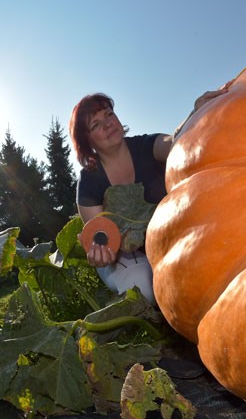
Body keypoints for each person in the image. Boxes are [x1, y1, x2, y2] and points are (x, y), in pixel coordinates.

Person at [69, 86, 230, 304]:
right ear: (87, 141)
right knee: (142, 285)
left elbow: (174, 141)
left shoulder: (146, 146)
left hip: (167, 239)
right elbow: (101, 237)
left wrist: (195, 113)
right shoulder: (89, 181)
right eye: (96, 124)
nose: (108, 124)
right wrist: (101, 255)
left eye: (109, 114)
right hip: (126, 255)